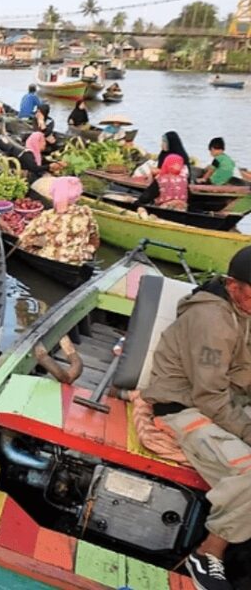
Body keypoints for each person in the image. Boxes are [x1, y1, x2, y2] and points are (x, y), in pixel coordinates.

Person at [140, 246, 251, 590]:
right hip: (183, 409)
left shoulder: (241, 310)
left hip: (227, 399)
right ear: (234, 287)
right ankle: (208, 552)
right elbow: (209, 397)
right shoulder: (212, 320)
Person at [13, 176, 99, 264]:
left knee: (25, 246)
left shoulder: (47, 216)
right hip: (78, 258)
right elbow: (94, 236)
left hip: (51, 258)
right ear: (77, 196)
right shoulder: (86, 213)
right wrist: (87, 250)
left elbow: (24, 240)